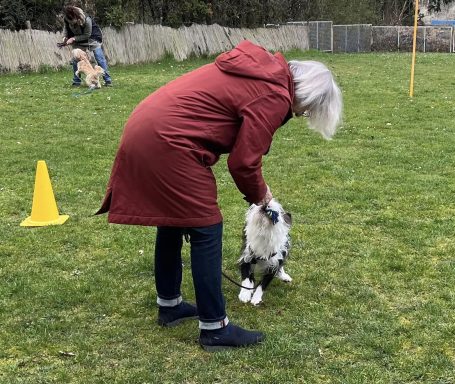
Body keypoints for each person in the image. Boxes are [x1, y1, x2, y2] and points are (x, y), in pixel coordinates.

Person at [97, 40, 342, 351]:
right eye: (308, 110)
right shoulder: (275, 93)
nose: (303, 114)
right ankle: (215, 329)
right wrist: (262, 195)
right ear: (307, 97)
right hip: (170, 141)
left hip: (146, 126)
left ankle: (170, 306)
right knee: (206, 227)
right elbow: (243, 163)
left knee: (172, 222)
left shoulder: (263, 74)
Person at [62, 5, 112, 87]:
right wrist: (65, 37)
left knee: (100, 58)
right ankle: (76, 81)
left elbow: (87, 35)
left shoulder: (86, 19)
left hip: (92, 38)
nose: (71, 22)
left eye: (72, 20)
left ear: (76, 15)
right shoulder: (67, 19)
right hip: (78, 40)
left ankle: (108, 80)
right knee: (75, 59)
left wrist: (73, 39)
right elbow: (66, 29)